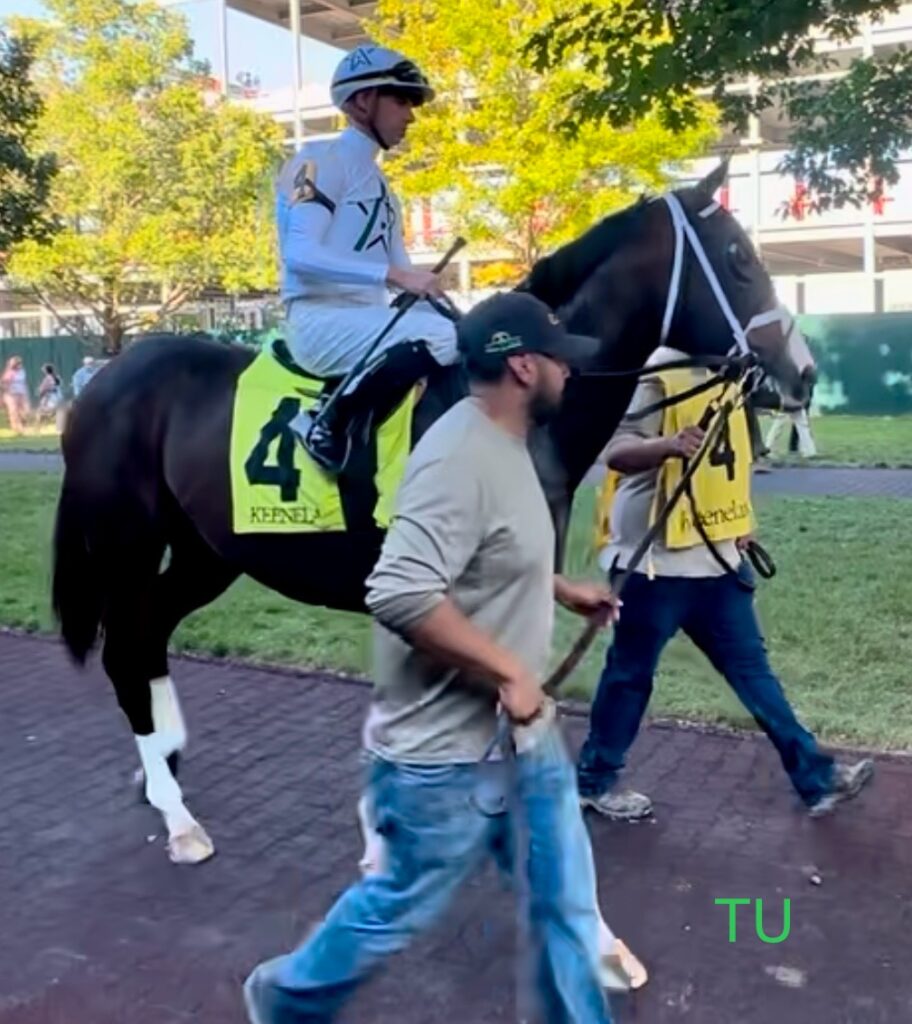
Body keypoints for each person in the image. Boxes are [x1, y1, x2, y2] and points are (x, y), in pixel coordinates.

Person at [244, 292, 628, 1024]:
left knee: (568, 906)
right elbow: (399, 590)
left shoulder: (504, 440)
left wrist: (553, 586)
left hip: (522, 738)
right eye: (558, 359)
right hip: (445, 758)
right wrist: (512, 671)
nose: (570, 373)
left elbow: (478, 551)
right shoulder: (457, 454)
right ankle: (284, 998)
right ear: (523, 365)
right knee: (394, 908)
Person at [576, 346, 874, 821]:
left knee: (754, 674)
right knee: (630, 676)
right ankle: (594, 780)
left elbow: (730, 465)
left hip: (718, 561)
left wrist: (740, 523)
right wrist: (668, 445)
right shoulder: (662, 370)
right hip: (654, 567)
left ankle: (817, 778)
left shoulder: (735, 372)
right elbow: (617, 452)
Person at [275, 44, 458, 473]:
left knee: (459, 333)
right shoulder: (316, 162)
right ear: (362, 101)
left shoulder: (384, 189)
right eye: (401, 100)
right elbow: (301, 255)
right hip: (319, 323)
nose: (410, 115)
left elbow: (405, 274)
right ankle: (327, 423)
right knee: (442, 337)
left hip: (365, 322)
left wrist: (430, 291)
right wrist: (395, 274)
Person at [1, 356, 30, 434]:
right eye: (18, 364)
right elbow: (4, 383)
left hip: (22, 393)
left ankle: (23, 426)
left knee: (25, 411)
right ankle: (17, 429)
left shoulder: (22, 371)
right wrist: (7, 391)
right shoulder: (10, 373)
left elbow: (24, 383)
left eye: (20, 363)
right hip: (12, 394)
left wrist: (25, 393)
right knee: (14, 411)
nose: (20, 365)